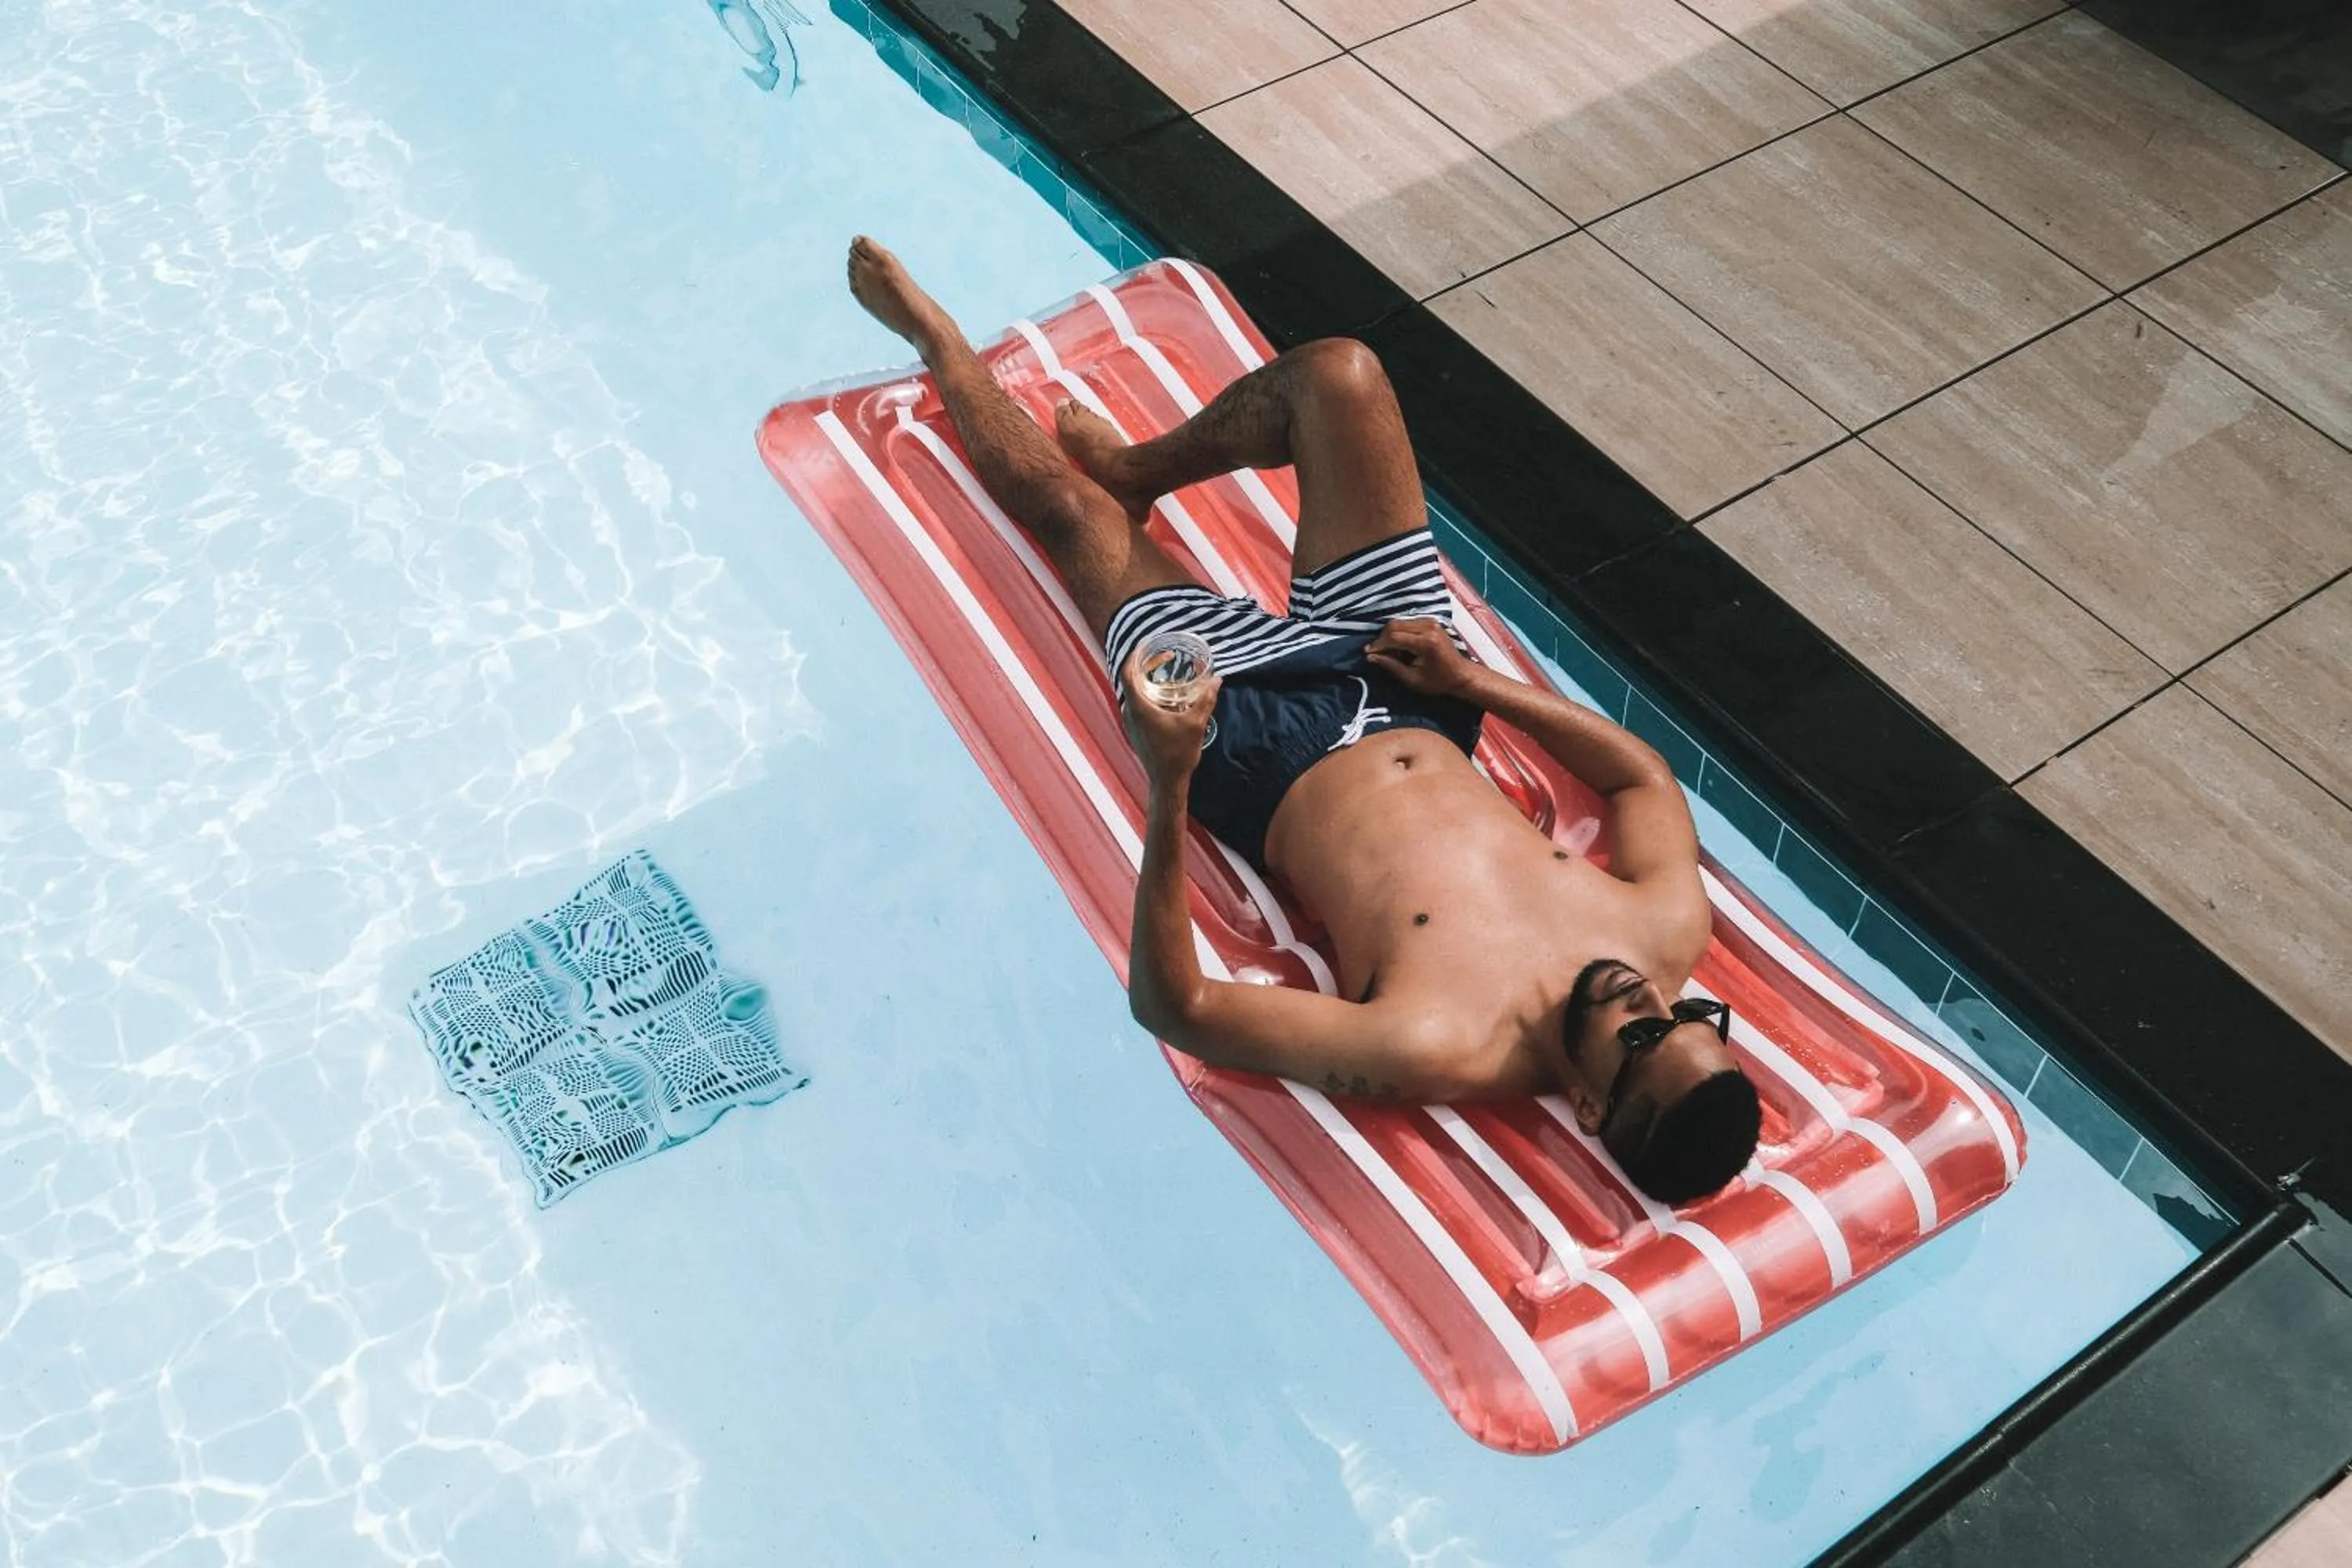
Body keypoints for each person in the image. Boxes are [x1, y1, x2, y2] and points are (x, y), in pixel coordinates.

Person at [847, 238, 1761, 1205]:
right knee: (1339, 375)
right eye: (1691, 1015)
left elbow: (1177, 1005)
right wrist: (1478, 684)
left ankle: (933, 337)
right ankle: (1139, 467)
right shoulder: (1663, 928)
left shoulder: (1437, 1039)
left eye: (1644, 1039)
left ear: (1587, 1105)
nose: (1649, 998)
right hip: (1419, 690)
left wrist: (1171, 779)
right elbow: (1642, 779)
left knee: (1072, 515)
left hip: (1250, 739)